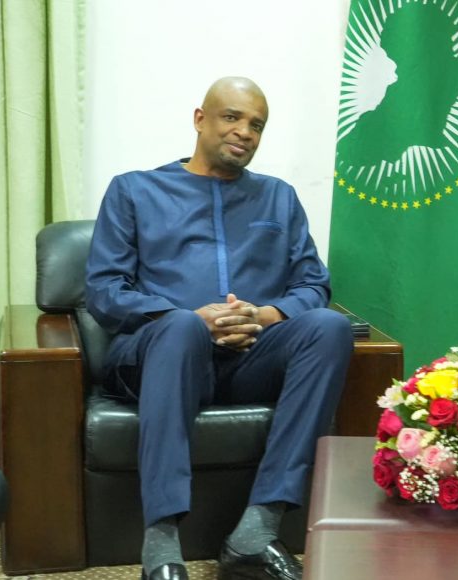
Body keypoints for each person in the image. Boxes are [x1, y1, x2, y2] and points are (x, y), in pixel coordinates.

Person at [86, 77, 352, 580]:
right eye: (232, 117)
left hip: (249, 357)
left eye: (257, 125)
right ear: (199, 119)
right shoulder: (134, 189)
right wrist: (187, 318)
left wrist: (263, 316)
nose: (244, 132)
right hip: (161, 355)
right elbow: (104, 289)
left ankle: (256, 532)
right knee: (183, 328)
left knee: (329, 328)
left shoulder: (279, 197)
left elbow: (313, 283)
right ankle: (161, 545)